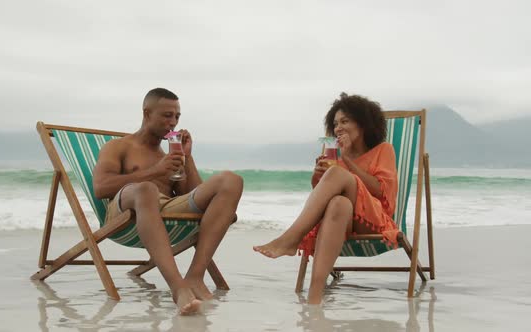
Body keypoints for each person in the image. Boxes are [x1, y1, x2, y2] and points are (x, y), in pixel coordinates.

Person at [93, 88, 243, 315]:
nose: (172, 122)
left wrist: (187, 157)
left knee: (231, 181)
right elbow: (101, 188)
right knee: (147, 189)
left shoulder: (170, 156)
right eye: (166, 115)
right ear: (146, 114)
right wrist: (154, 172)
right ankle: (177, 286)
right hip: (126, 214)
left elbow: (197, 197)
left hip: (164, 212)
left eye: (177, 116)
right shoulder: (119, 146)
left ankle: (195, 276)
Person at [253, 92, 399, 305]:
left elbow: (380, 191)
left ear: (364, 124)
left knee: (338, 175)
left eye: (345, 121)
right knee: (338, 203)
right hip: (342, 220)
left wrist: (346, 161)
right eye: (335, 123)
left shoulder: (383, 150)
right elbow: (320, 195)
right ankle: (314, 296)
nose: (338, 127)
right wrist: (318, 174)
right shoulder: (335, 154)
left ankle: (291, 238)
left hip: (374, 221)